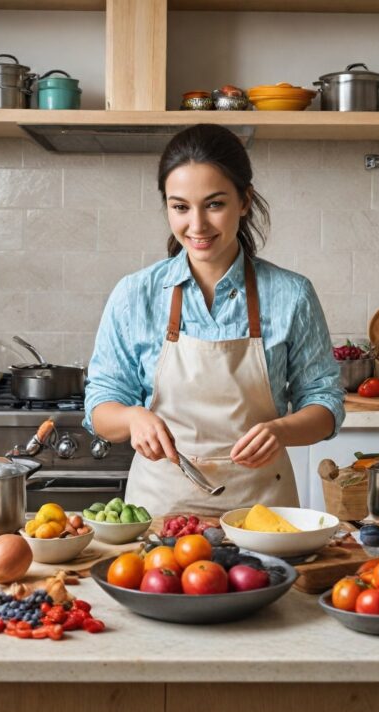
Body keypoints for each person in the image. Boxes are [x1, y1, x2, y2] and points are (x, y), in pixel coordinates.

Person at [83, 123, 345, 516]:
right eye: (180, 207)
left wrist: (281, 430)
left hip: (263, 514)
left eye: (215, 204)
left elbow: (325, 404)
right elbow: (100, 405)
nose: (197, 225)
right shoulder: (134, 295)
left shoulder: (291, 294)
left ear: (244, 201)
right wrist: (131, 416)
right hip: (159, 514)